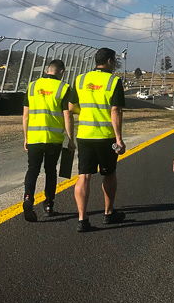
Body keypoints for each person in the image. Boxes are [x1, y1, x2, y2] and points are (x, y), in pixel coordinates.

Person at [73, 47, 127, 232]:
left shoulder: (80, 79)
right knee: (109, 174)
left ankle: (82, 219)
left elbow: (72, 106)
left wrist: (88, 112)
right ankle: (108, 213)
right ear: (110, 61)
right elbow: (116, 111)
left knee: (84, 176)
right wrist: (119, 139)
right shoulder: (113, 81)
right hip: (105, 137)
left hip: (85, 135)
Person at [21, 59, 77, 221]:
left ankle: (28, 198)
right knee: (50, 171)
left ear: (47, 70)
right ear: (61, 72)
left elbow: (26, 115)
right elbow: (67, 115)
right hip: (53, 139)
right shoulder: (63, 87)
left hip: (34, 138)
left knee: (33, 169)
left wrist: (26, 137)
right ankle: (49, 204)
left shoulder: (32, 86)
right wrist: (71, 139)